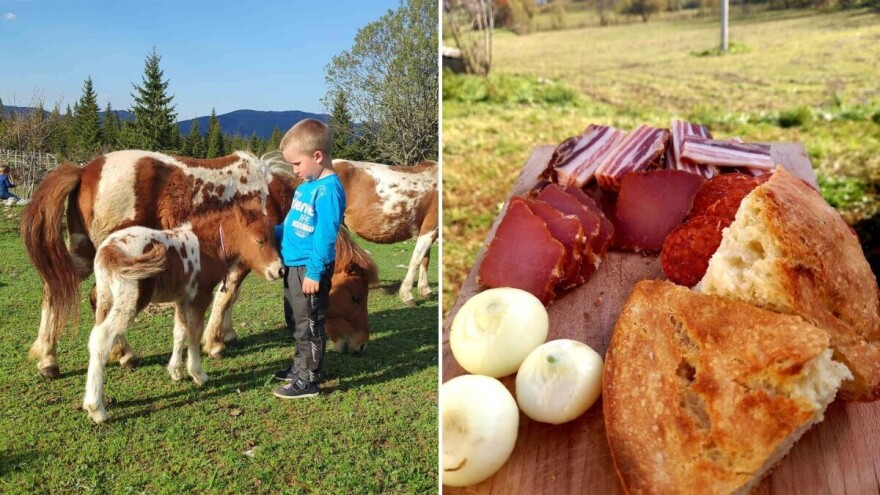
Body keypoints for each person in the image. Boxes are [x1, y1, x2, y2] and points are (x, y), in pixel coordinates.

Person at [272, 119, 346, 399]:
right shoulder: (305, 186)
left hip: (309, 268)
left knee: (310, 323)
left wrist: (315, 272)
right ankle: (300, 366)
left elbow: (326, 236)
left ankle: (309, 380)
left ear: (317, 156)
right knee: (294, 319)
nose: (295, 171)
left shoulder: (328, 190)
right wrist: (272, 233)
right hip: (292, 266)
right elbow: (292, 224)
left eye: (296, 164)